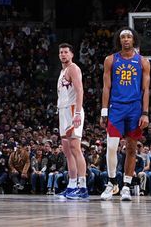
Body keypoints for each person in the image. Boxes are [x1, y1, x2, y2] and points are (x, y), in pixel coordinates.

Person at [100, 28, 150, 201]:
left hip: (135, 109)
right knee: (112, 146)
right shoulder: (111, 60)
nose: (126, 39)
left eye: (129, 36)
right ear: (119, 40)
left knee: (131, 148)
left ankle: (126, 186)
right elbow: (106, 87)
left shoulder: (143, 61)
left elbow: (146, 89)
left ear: (134, 39)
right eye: (123, 37)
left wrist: (145, 113)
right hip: (116, 108)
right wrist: (104, 111)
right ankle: (112, 182)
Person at [57, 43, 88, 200]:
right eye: (61, 52)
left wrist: (77, 113)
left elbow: (79, 90)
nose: (63, 54)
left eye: (66, 52)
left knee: (75, 148)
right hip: (63, 110)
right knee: (67, 150)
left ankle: (82, 187)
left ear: (72, 55)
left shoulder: (73, 68)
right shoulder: (63, 71)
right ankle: (71, 185)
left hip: (72, 109)